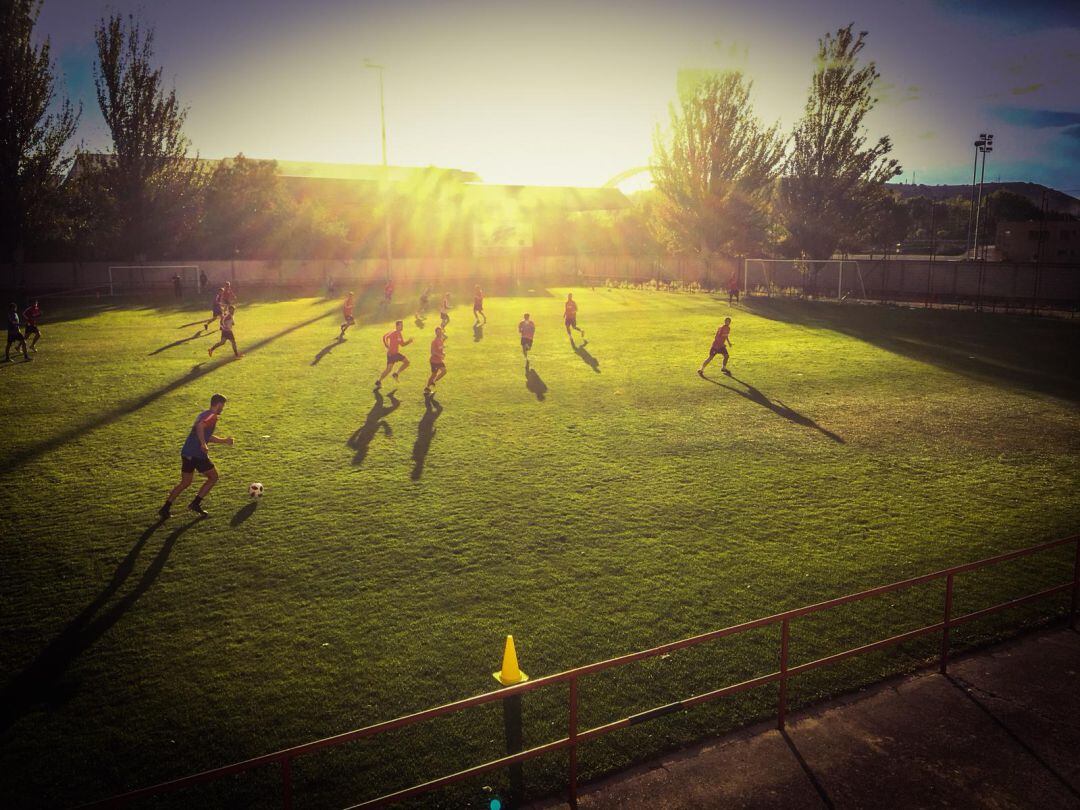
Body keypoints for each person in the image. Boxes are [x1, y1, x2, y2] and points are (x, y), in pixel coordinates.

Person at [159, 393, 234, 518]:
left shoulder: (204, 414)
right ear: (218, 404)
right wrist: (203, 444)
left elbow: (206, 435)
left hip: (187, 452)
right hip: (197, 454)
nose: (223, 408)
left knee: (185, 482)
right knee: (213, 477)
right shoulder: (211, 415)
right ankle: (195, 504)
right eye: (222, 405)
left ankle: (165, 508)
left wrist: (224, 441)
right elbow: (200, 427)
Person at [376, 319, 412, 387]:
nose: (402, 327)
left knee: (407, 362)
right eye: (401, 325)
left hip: (396, 354)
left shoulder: (399, 334)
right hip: (391, 355)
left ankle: (395, 374)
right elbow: (385, 337)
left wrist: (409, 342)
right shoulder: (394, 333)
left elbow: (402, 344)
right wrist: (387, 346)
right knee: (388, 370)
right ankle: (379, 381)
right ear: (397, 326)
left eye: (402, 325)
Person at [425, 326, 447, 394]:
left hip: (439, 360)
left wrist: (443, 353)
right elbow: (432, 352)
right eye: (438, 332)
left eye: (440, 331)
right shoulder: (434, 341)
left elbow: (441, 350)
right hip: (434, 361)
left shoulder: (441, 340)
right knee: (433, 374)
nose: (439, 333)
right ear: (436, 333)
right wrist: (440, 355)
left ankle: (433, 382)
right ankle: (427, 388)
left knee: (444, 371)